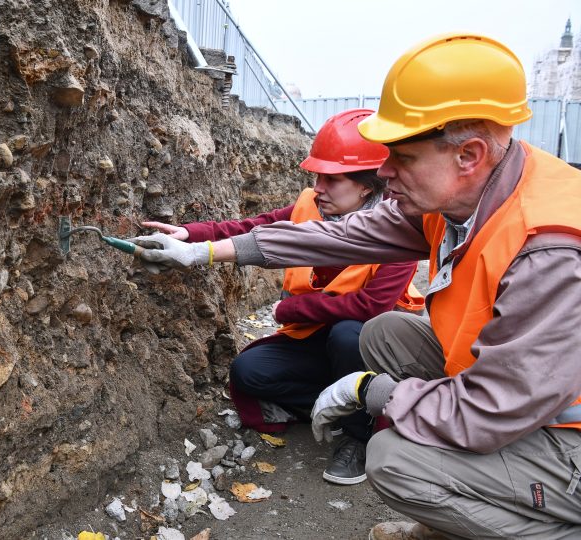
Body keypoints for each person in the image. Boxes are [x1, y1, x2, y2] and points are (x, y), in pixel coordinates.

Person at [130, 32, 581, 539]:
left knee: (395, 461)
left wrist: (373, 389)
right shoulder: (465, 199)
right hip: (517, 391)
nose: (384, 171)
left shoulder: (549, 249)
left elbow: (494, 409)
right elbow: (336, 236)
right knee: (386, 333)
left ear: (469, 155)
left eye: (402, 158)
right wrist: (201, 249)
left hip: (562, 434)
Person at [141, 108, 422, 486]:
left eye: (331, 178)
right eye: (317, 175)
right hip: (312, 335)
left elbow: (371, 306)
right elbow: (254, 228)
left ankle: (358, 434)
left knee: (348, 332)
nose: (318, 186)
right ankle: (334, 403)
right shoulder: (311, 206)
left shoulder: (401, 229)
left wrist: (288, 308)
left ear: (366, 186)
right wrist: (190, 235)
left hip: (368, 344)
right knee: (248, 372)